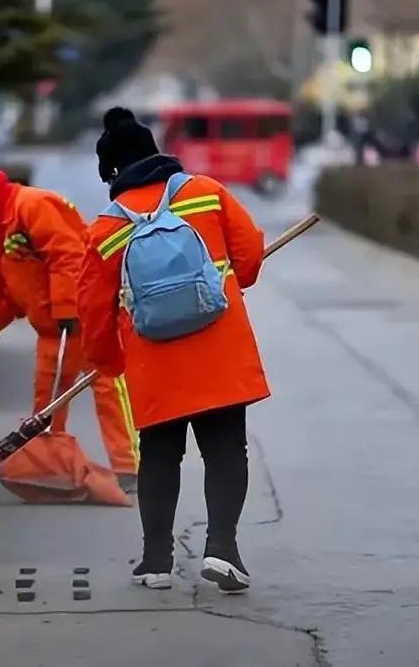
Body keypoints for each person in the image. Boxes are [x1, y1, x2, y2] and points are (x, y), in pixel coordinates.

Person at [77, 107, 270, 593]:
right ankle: (222, 549)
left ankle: (156, 562)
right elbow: (247, 259)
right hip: (219, 348)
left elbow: (93, 310)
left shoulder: (105, 230)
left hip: (152, 358)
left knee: (160, 455)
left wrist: (108, 362)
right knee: (226, 450)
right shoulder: (206, 193)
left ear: (113, 174)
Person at [0, 169, 138, 504]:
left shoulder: (33, 206)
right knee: (47, 402)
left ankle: (129, 469)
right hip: (54, 329)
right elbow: (11, 294)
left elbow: (68, 255)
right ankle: (50, 466)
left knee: (107, 387)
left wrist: (67, 308)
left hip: (85, 317)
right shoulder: (4, 230)